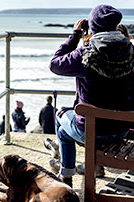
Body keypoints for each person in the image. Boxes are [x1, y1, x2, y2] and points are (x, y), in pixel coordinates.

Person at [49, 4, 134, 187]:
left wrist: (74, 37)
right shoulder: (131, 52)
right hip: (122, 130)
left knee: (61, 119)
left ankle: (67, 177)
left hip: (90, 132)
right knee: (68, 127)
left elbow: (55, 65)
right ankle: (89, 168)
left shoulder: (85, 54)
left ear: (92, 26)